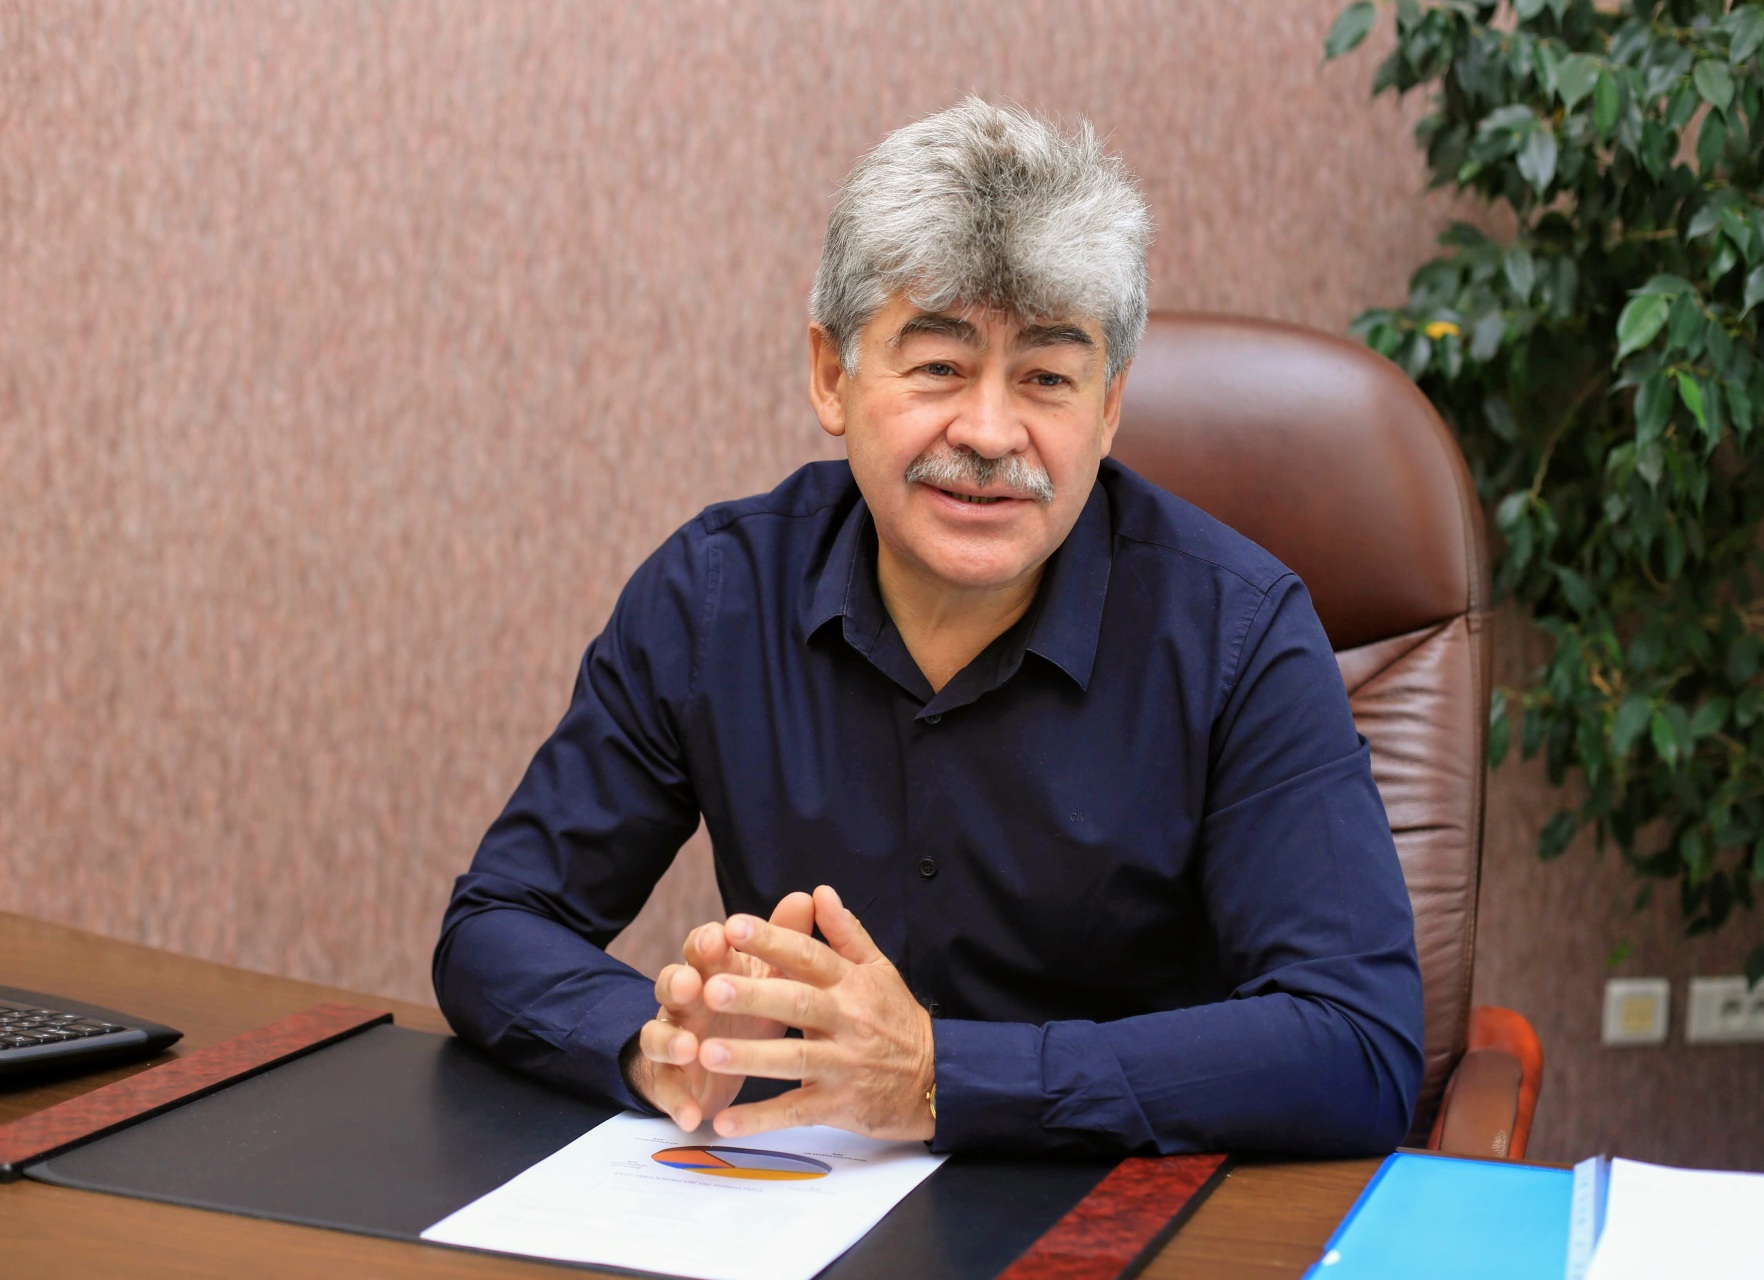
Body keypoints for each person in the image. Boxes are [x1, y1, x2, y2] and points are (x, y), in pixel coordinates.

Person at [434, 99, 1424, 1157]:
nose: (991, 434)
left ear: (1108, 407)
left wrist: (939, 1077)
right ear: (833, 376)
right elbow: (497, 923)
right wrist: (653, 1045)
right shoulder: (716, 595)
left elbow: (1356, 1046)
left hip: (1119, 1208)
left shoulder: (1239, 633)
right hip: (802, 1207)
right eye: (940, 366)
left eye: (1047, 377)